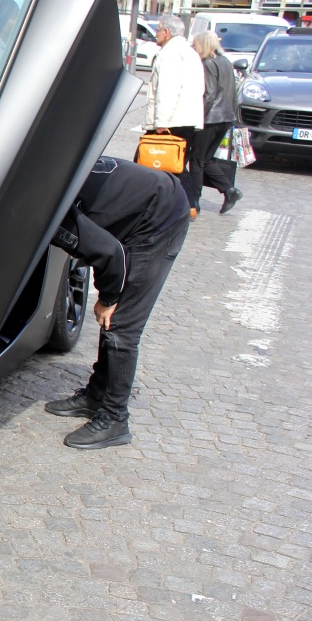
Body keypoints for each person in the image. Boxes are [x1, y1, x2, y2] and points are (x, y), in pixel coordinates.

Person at [45, 155, 191, 449]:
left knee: (121, 326)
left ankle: (115, 419)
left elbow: (108, 254)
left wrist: (108, 298)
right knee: (112, 322)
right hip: (143, 202)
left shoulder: (51, 213)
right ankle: (97, 394)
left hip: (160, 220)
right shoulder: (47, 178)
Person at [144, 13, 204, 217]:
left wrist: (161, 122)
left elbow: (167, 90)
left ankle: (186, 203)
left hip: (172, 119)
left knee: (163, 163)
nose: (156, 34)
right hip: (186, 118)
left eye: (159, 30)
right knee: (176, 163)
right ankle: (188, 203)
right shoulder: (189, 51)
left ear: (166, 32)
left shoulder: (171, 53)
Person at [191, 30, 244, 215]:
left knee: (196, 159)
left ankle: (194, 201)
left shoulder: (208, 63)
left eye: (196, 44)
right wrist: (233, 117)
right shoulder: (226, 62)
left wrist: (198, 117)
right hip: (226, 117)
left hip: (211, 118)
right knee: (206, 159)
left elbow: (210, 94)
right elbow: (234, 93)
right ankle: (229, 190)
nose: (194, 48)